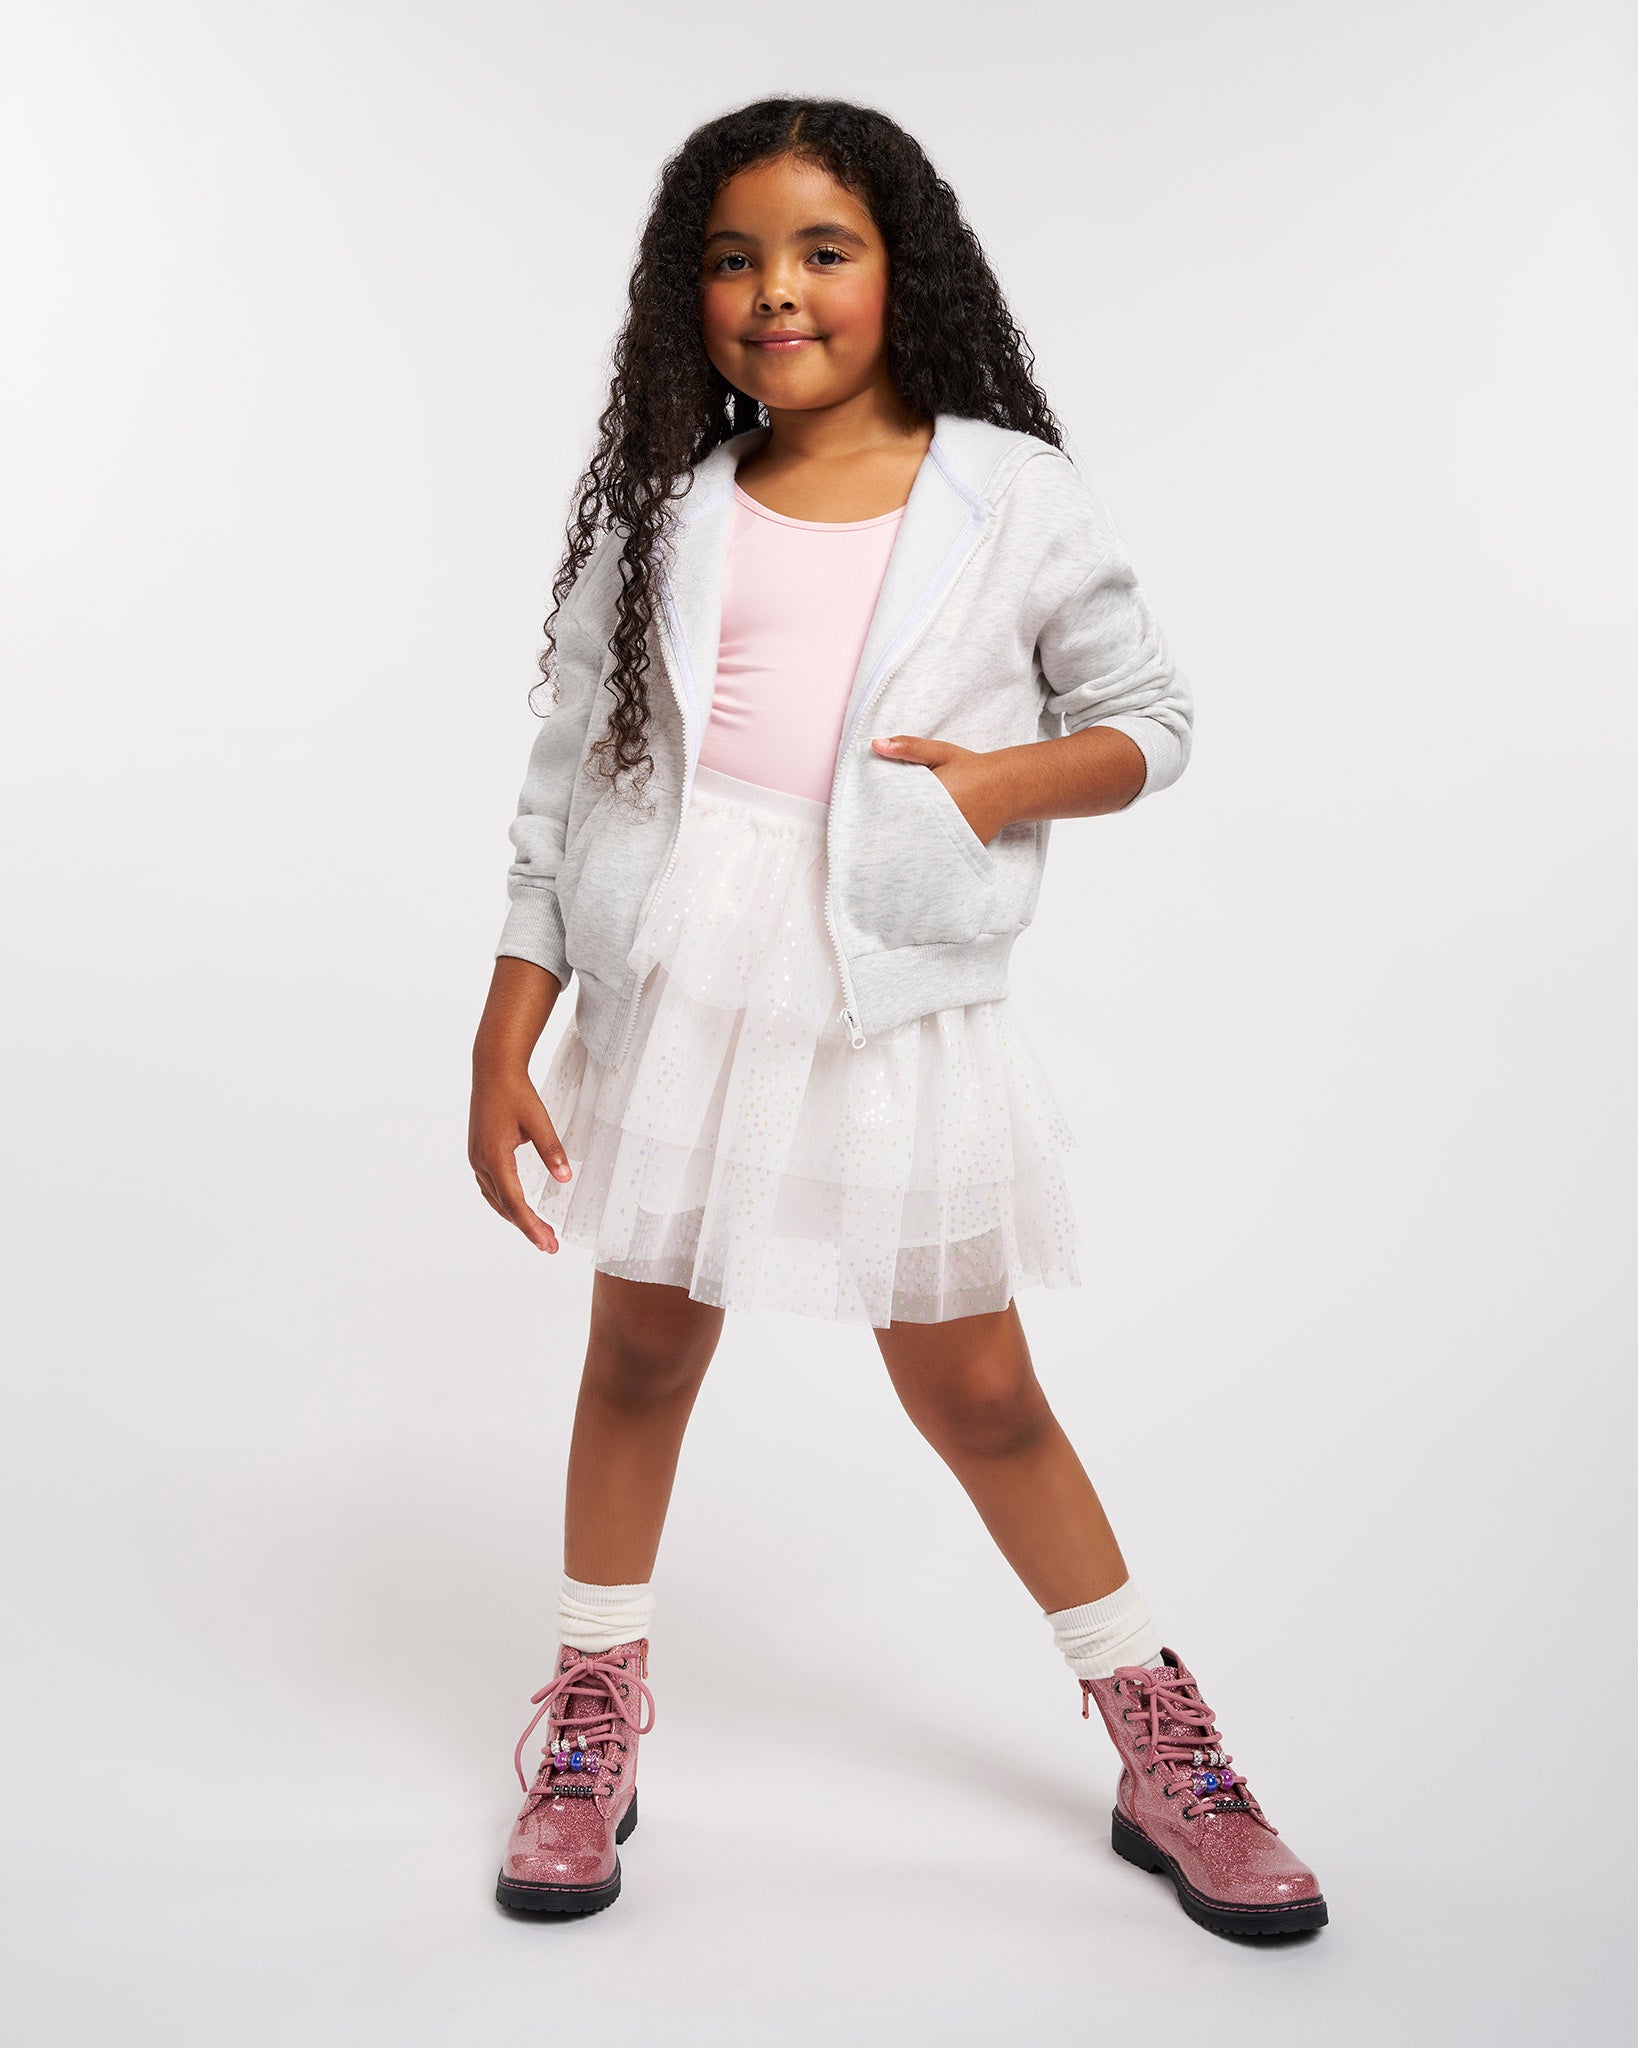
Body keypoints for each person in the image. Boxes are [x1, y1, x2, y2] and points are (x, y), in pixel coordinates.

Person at [468, 96, 1326, 1940]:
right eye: (731, 256)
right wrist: (503, 1029)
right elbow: (564, 792)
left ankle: (1153, 1733)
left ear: (898, 269)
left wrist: (1003, 785)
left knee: (982, 1387)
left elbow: (1151, 719)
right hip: (683, 976)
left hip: (889, 991)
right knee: (637, 1359)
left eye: (820, 250)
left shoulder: (1006, 492)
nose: (774, 289)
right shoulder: (666, 513)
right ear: (681, 295)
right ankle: (589, 1718)